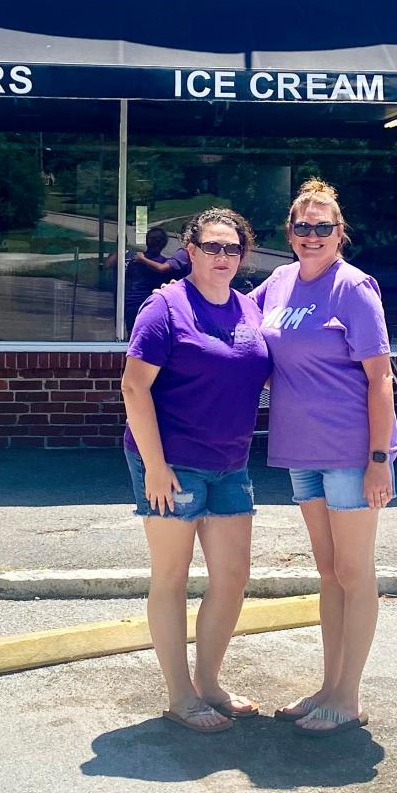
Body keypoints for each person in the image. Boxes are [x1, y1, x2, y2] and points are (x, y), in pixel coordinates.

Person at [252, 178, 395, 737]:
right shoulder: (281, 281)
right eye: (302, 227)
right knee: (329, 573)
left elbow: (381, 377)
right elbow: (238, 322)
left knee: (356, 573)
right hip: (299, 451)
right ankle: (328, 686)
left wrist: (379, 458)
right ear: (290, 232)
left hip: (350, 452)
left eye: (323, 227)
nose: (311, 236)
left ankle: (349, 695)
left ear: (340, 233)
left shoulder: (354, 288)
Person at [120, 207, 269, 733]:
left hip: (231, 465)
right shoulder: (165, 308)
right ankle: (180, 695)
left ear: (242, 254)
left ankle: (209, 683)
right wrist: (155, 467)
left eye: (232, 248)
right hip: (172, 464)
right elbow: (133, 387)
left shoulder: (250, 310)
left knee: (232, 578)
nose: (221, 257)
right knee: (172, 577)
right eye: (211, 247)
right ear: (191, 250)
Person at [115, 226, 190, 333]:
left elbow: (162, 270)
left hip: (152, 304)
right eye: (153, 239)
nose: (155, 242)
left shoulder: (146, 261)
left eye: (158, 239)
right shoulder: (137, 260)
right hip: (135, 302)